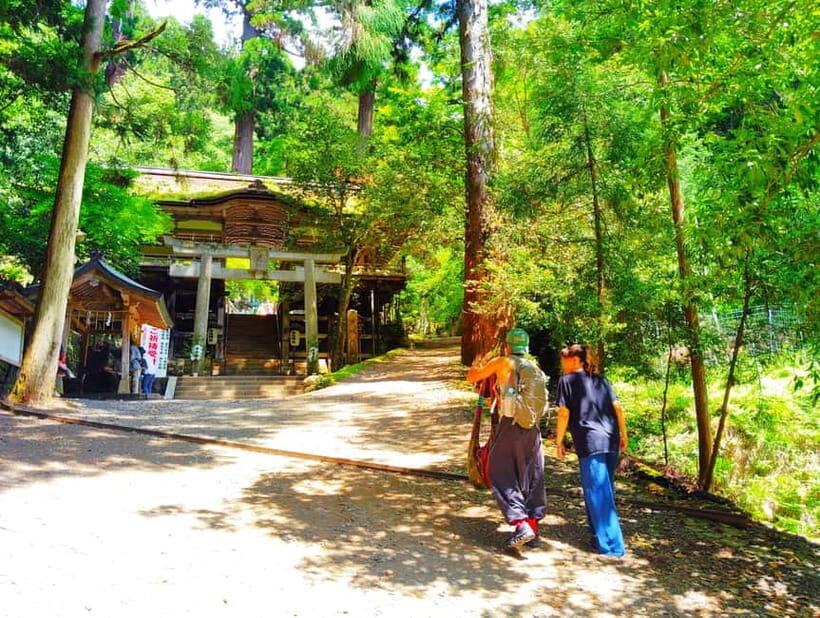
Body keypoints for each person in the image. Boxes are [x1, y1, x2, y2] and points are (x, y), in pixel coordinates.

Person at [467, 327, 547, 551]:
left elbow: (472, 376)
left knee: (499, 471)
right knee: (531, 474)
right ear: (526, 347)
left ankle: (521, 524)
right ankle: (533, 527)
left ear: (507, 346)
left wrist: (476, 365)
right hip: (533, 428)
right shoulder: (534, 367)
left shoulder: (503, 362)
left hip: (511, 424)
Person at [555, 344, 627, 557]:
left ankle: (612, 546)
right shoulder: (601, 380)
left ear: (574, 360)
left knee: (597, 492)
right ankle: (598, 535)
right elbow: (618, 408)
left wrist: (558, 442)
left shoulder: (566, 381)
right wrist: (623, 434)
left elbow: (564, 413)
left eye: (564, 360)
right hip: (611, 438)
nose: (562, 364)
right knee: (604, 489)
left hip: (590, 440)